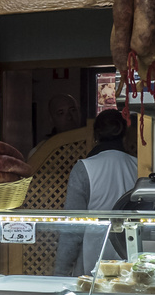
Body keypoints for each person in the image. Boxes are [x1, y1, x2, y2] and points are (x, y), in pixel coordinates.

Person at [54, 110, 139, 276]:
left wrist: (60, 272)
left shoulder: (84, 168)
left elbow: (72, 229)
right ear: (125, 136)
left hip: (90, 265)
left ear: (95, 136)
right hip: (130, 263)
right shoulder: (138, 166)